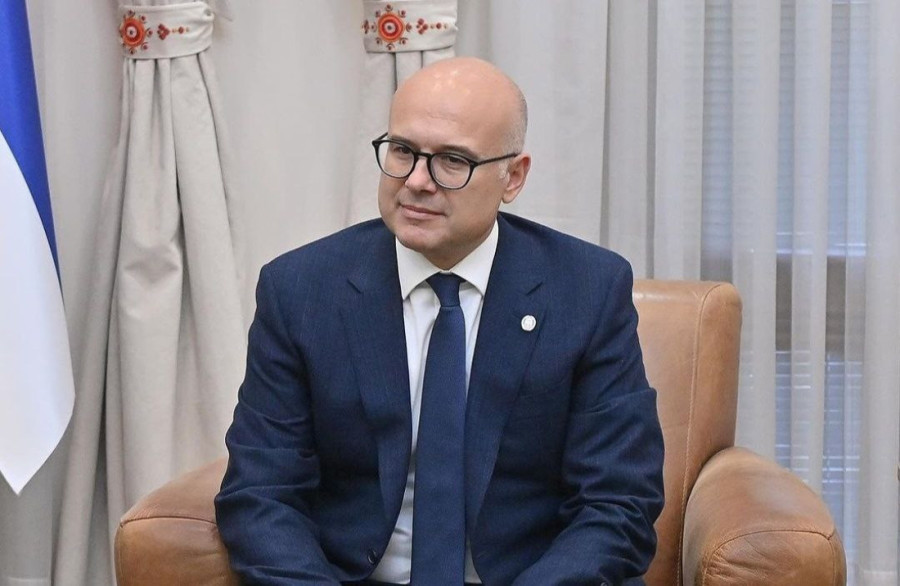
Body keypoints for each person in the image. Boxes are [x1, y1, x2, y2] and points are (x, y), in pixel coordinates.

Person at [215, 57, 665, 586]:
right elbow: (261, 493)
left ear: (513, 176)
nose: (416, 181)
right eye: (402, 151)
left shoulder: (587, 290)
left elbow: (618, 501)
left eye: (453, 161)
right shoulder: (301, 290)